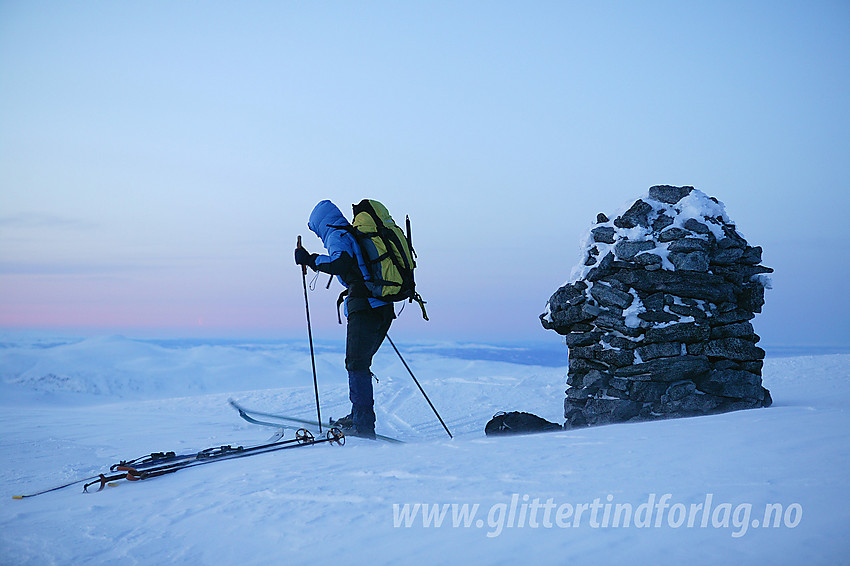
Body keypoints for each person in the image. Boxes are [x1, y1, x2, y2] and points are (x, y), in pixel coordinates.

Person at [295, 200, 394, 439]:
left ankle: (362, 423)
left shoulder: (336, 235)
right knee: (360, 364)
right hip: (382, 307)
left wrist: (310, 259)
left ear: (320, 223)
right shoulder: (352, 234)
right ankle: (357, 416)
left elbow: (341, 263)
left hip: (365, 308)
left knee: (356, 365)